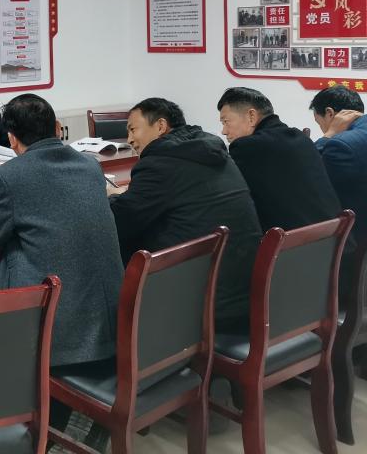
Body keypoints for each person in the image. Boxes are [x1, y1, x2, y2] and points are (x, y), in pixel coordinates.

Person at [0, 94, 123, 367]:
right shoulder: (90, 165)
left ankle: (8, 355)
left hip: (59, 331)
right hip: (109, 321)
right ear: (57, 128)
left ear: (12, 139)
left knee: (11, 252)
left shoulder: (11, 174)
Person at [107, 98, 262, 332]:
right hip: (245, 295)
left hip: (203, 306)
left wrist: (110, 197)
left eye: (132, 129)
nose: (129, 139)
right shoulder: (211, 150)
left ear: (160, 126)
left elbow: (119, 222)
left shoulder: (159, 162)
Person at [219, 87, 342, 232]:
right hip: (332, 237)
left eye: (226, 121)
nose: (224, 131)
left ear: (251, 116)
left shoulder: (246, 147)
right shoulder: (300, 138)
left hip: (292, 243)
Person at [310, 85, 367, 232]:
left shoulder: (340, 145)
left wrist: (330, 133)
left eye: (319, 122)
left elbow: (308, 176)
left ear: (329, 113)